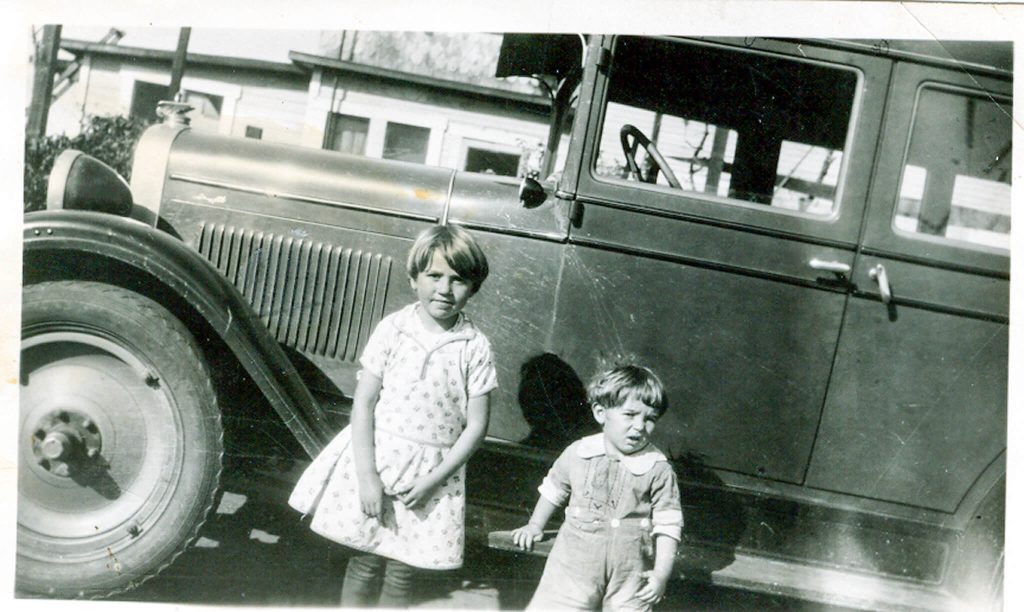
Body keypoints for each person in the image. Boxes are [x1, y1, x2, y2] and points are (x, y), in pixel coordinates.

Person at [288, 224, 497, 608]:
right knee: (364, 560)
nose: (445, 289)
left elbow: (477, 427)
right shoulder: (394, 329)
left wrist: (434, 481)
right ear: (414, 278)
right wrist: (368, 476)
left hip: (431, 476)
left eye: (458, 280)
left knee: (403, 571)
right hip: (379, 464)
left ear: (473, 287)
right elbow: (364, 403)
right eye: (434, 276)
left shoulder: (475, 347)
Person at [511, 364, 683, 610]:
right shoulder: (579, 452)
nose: (639, 426)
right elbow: (554, 489)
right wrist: (535, 525)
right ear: (601, 413)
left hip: (630, 574)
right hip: (573, 566)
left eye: (650, 419)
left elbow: (669, 525)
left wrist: (660, 574)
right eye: (630, 415)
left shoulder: (657, 468)